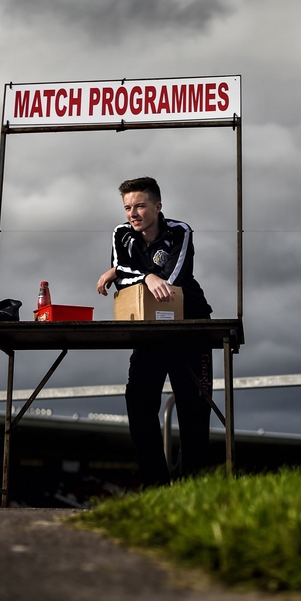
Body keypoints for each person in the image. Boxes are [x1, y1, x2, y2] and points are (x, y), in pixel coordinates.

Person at [96, 177, 213, 488]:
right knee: (138, 401)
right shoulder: (121, 234)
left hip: (191, 328)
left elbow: (172, 280)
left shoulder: (180, 231)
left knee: (194, 409)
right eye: (127, 207)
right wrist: (140, 275)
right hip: (150, 333)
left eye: (140, 206)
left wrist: (126, 272)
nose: (133, 213)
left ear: (158, 207)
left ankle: (191, 488)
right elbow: (124, 277)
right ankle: (155, 486)